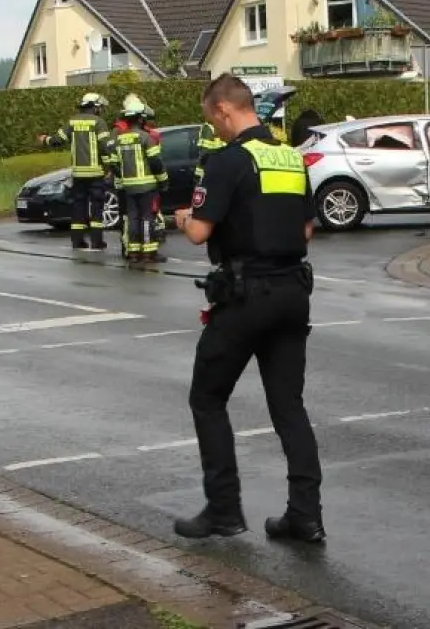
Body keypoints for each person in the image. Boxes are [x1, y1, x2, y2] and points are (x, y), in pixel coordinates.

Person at [171, 73, 324, 544]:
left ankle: (223, 510)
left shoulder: (227, 160)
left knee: (207, 397)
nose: (213, 129)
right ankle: (305, 515)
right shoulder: (291, 158)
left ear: (223, 110)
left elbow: (199, 232)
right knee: (288, 406)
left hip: (244, 296)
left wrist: (182, 218)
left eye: (211, 119)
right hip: (292, 294)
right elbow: (305, 232)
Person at [38, 92, 116, 250]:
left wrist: (44, 139)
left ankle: (77, 241)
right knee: (96, 207)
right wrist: (110, 167)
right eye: (99, 107)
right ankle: (97, 241)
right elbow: (105, 147)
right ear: (94, 107)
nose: (100, 110)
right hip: (95, 173)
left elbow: (57, 141)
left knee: (78, 207)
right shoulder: (98, 122)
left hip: (78, 174)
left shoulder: (72, 121)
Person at [113, 94, 168, 264]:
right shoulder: (146, 138)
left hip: (128, 186)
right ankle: (148, 252)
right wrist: (163, 180)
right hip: (146, 185)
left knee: (132, 218)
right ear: (140, 119)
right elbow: (155, 162)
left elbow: (114, 164)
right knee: (147, 218)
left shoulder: (120, 139)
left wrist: (124, 177)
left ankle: (134, 252)